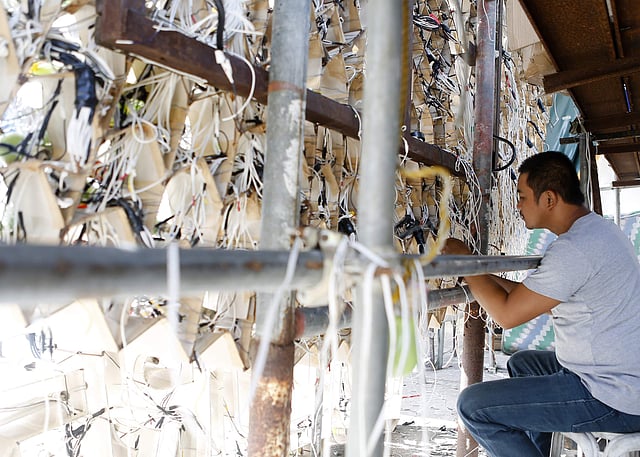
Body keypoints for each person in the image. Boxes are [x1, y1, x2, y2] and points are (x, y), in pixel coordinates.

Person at [443, 151, 640, 457]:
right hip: (620, 376)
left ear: (548, 199)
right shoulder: (598, 232)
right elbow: (535, 297)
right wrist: (483, 276)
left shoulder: (574, 249)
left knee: (473, 406)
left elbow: (507, 315)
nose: (518, 206)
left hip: (614, 396)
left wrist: (465, 262)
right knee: (524, 364)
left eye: (522, 197)